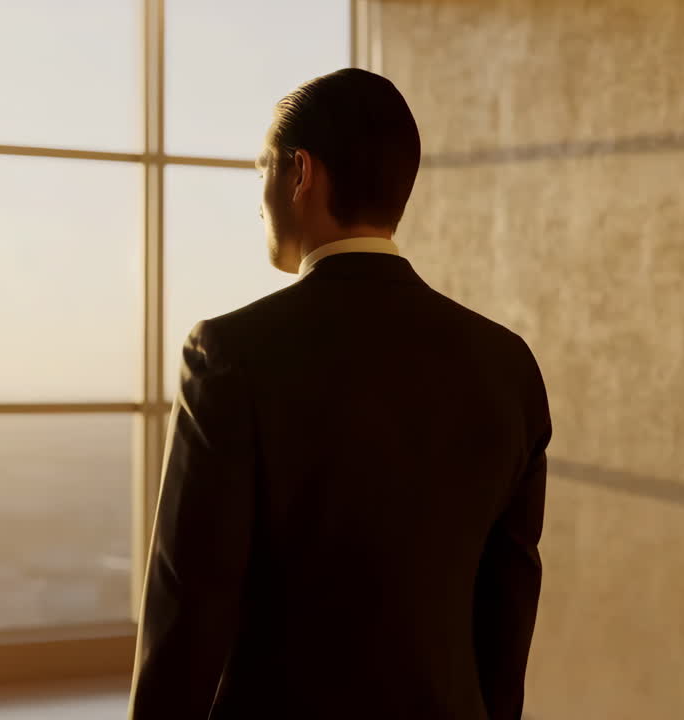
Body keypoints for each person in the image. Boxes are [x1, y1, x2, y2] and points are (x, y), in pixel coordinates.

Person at [129, 68, 551, 719]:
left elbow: (190, 609)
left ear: (301, 173)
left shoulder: (229, 356)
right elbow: (505, 616)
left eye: (262, 168)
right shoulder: (508, 364)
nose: (258, 200)